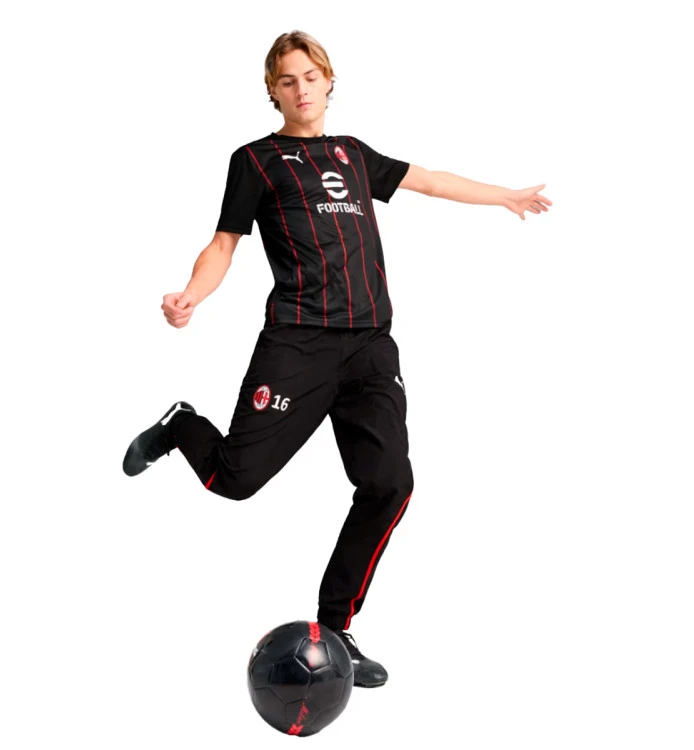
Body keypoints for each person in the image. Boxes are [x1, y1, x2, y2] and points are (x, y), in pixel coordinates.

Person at [122, 30, 551, 688]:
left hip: (370, 348)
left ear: (328, 82)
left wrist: (506, 196)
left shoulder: (354, 155)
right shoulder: (255, 161)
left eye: (310, 77)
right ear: (272, 92)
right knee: (234, 480)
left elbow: (430, 181)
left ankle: (336, 627)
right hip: (298, 344)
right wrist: (191, 297)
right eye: (287, 80)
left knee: (390, 484)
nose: (301, 89)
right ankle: (181, 424)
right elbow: (224, 244)